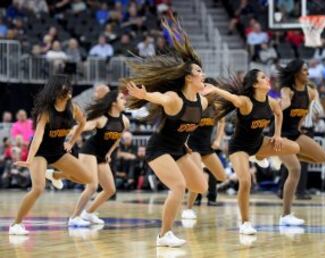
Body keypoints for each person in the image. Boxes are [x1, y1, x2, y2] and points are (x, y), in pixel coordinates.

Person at [123, 17, 208, 247]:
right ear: (188, 77)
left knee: (201, 187)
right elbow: (158, 97)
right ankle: (163, 235)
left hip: (179, 149)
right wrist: (145, 96)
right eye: (199, 71)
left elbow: (191, 122)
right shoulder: (174, 98)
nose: (203, 74)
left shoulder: (203, 101)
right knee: (179, 186)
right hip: (159, 148)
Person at [204, 69, 300, 234]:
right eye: (263, 77)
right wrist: (214, 89)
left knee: (295, 147)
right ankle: (245, 223)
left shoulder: (270, 102)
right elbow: (232, 98)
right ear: (255, 84)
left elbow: (278, 114)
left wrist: (277, 135)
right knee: (246, 181)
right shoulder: (246, 102)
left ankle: (259, 156)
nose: (268, 79)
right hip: (239, 148)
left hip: (258, 144)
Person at [9, 74, 92, 235]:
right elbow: (38, 137)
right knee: (38, 189)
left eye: (69, 88)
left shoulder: (73, 108)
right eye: (65, 88)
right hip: (41, 153)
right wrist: (29, 159)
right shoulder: (46, 111)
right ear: (55, 90)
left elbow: (82, 123)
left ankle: (55, 175)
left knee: (87, 179)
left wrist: (71, 142)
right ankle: (16, 224)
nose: (68, 91)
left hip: (58, 152)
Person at [277, 59, 325, 226]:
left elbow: (303, 114)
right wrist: (280, 105)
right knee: (296, 170)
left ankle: (293, 155)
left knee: (323, 157)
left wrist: (299, 130)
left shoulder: (311, 92)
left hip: (295, 133)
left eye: (308, 70)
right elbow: (282, 106)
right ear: (296, 73)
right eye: (304, 70)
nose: (308, 72)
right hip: (281, 135)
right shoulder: (287, 90)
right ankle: (285, 215)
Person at [66, 90, 129, 226]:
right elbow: (84, 127)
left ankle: (88, 213)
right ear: (113, 103)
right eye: (122, 98)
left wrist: (109, 153)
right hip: (89, 151)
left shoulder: (125, 121)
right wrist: (69, 133)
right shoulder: (101, 118)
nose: (125, 101)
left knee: (110, 189)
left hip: (101, 154)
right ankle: (74, 217)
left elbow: (117, 139)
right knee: (92, 186)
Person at [182, 77, 227, 220]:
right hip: (193, 145)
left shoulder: (216, 105)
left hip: (206, 146)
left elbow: (222, 121)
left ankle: (187, 181)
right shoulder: (197, 103)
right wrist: (183, 143)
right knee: (198, 177)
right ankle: (188, 209)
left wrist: (218, 139)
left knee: (222, 176)